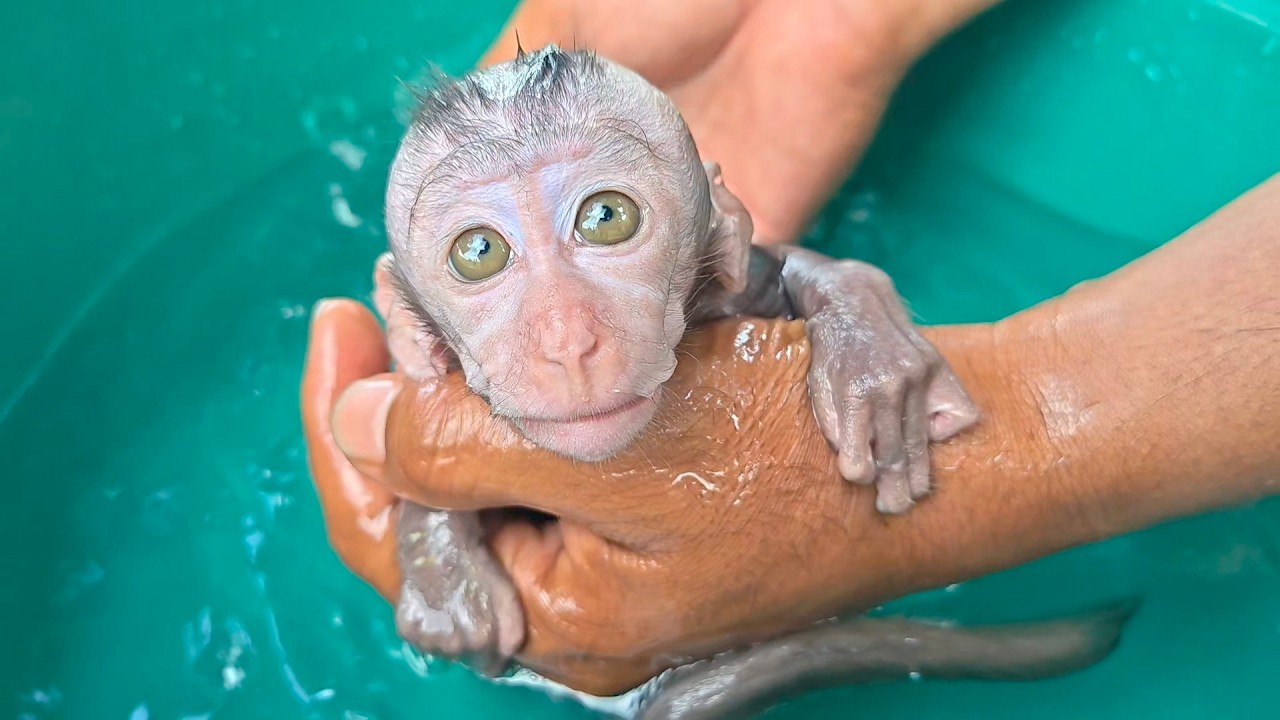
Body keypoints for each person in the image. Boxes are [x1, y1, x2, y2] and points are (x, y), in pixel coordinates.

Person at [300, 0, 1280, 698]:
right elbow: (439, 467)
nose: (564, 337)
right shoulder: (441, 342)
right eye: (478, 253)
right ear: (413, 322)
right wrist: (435, 533)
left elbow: (806, 277)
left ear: (718, 236)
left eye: (606, 218)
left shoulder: (726, 265)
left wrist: (977, 423)